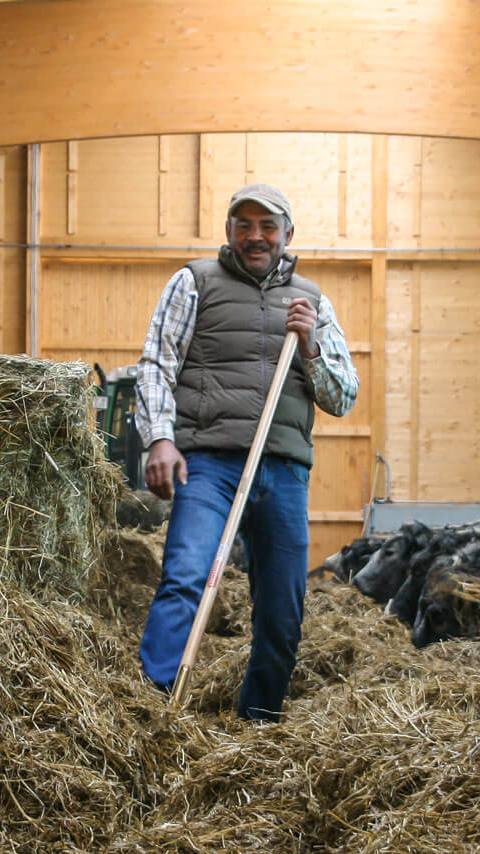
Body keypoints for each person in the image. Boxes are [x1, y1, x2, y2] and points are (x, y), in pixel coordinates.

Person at [134, 183, 359, 721]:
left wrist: (310, 347)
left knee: (282, 605)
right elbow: (156, 364)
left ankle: (259, 720)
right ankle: (152, 711)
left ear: (287, 234)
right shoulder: (195, 282)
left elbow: (342, 397)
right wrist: (160, 439)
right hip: (209, 463)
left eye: (267, 226)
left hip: (281, 469)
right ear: (229, 230)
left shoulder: (312, 302)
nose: (255, 236)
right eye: (243, 224)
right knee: (186, 577)